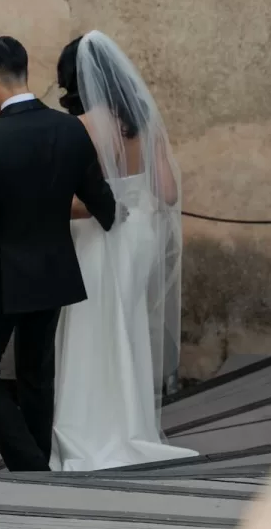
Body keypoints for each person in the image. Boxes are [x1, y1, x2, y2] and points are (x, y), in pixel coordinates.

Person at [0, 36, 119, 472]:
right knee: (35, 376)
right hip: (52, 272)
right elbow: (102, 202)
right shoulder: (69, 130)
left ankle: (31, 468)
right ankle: (37, 464)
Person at [50, 31, 198, 471]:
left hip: (98, 235)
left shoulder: (78, 127)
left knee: (89, 331)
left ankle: (87, 429)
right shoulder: (144, 121)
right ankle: (132, 427)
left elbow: (69, 201)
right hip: (138, 237)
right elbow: (167, 193)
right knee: (126, 329)